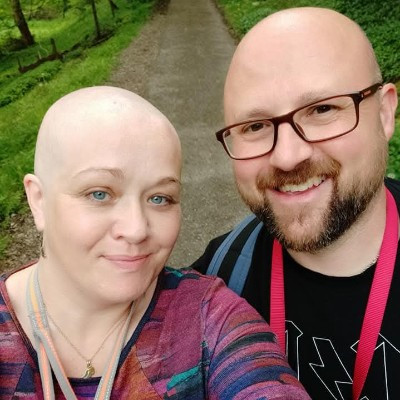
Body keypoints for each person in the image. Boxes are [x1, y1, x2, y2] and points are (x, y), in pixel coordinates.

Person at [0, 86, 310, 399]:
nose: (136, 229)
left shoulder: (210, 320)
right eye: (99, 194)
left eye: (160, 198)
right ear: (38, 201)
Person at [191, 6, 399, 400]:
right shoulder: (216, 281)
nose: (287, 157)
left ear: (385, 113)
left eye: (322, 109)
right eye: (255, 126)